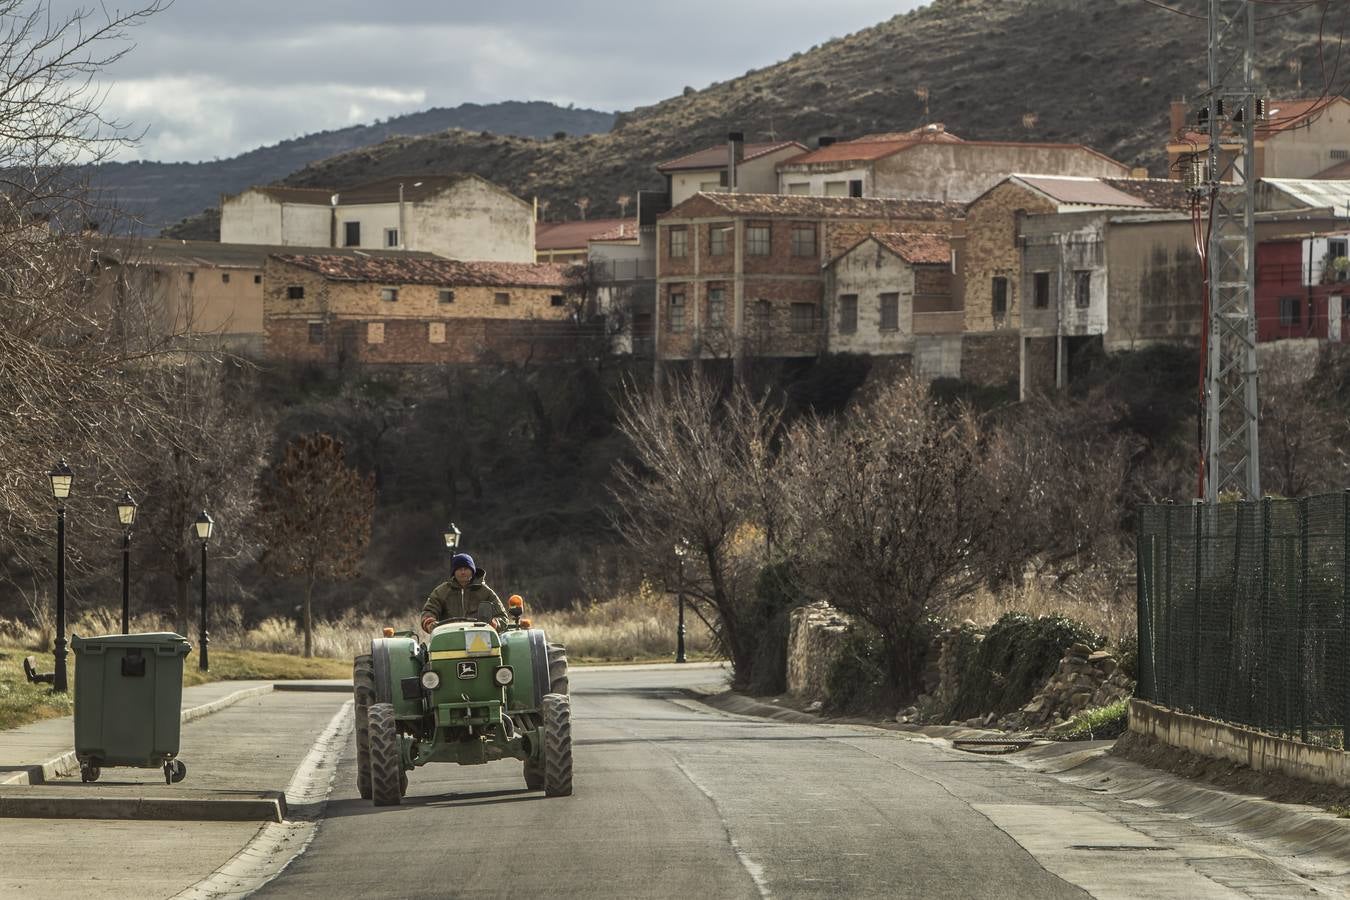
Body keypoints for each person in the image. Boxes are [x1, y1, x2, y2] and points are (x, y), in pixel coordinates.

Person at [421, 552, 508, 633]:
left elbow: (503, 617)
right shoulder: (442, 591)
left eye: (466, 569)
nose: (463, 572)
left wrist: (495, 623)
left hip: (480, 638)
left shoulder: (486, 592)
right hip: (448, 637)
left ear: (473, 571)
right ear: (453, 572)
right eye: (459, 569)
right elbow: (429, 610)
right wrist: (429, 622)